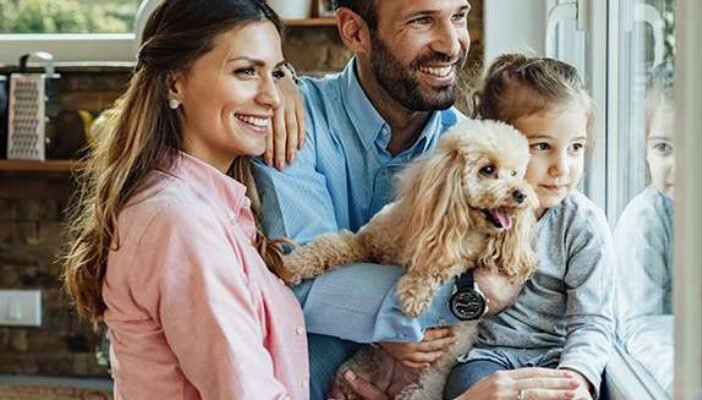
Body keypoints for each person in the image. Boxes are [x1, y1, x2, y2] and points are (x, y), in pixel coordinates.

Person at [253, 1, 579, 399]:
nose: (452, 44)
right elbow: (294, 279)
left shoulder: (476, 151)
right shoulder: (293, 121)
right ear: (355, 32)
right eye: (422, 20)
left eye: (458, 17)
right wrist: (454, 300)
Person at [61, 0, 309, 398]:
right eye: (246, 71)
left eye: (276, 73)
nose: (273, 97)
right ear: (174, 84)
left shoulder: (207, 204)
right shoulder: (181, 221)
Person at [436, 54, 615, 400]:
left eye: (575, 147)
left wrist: (576, 377)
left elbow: (592, 321)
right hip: (485, 357)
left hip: (556, 359)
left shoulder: (582, 224)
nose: (562, 167)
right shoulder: (475, 210)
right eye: (542, 147)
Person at [611, 81, 677, 390]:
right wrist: (680, 380)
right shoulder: (645, 219)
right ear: (646, 152)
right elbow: (640, 324)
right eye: (663, 148)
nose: (678, 166)